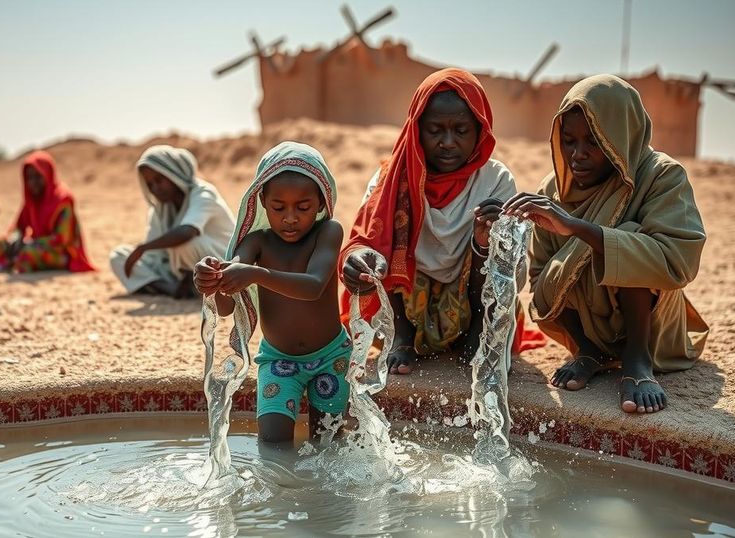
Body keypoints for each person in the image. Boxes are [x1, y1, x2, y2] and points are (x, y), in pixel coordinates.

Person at [502, 74, 708, 414]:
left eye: (594, 142)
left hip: (652, 328)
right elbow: (540, 280)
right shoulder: (554, 190)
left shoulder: (661, 176)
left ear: (621, 134)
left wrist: (577, 228)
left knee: (629, 237)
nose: (577, 155)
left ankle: (636, 359)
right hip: (588, 324)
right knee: (563, 263)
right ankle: (587, 351)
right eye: (568, 141)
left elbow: (678, 262)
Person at [339, 68, 540, 376]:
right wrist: (357, 259)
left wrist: (486, 240)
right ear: (417, 130)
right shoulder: (392, 178)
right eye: (435, 131)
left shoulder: (495, 181)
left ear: (480, 131)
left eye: (461, 131)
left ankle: (478, 334)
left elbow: (514, 268)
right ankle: (402, 336)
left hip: (473, 297)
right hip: (406, 305)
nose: (448, 142)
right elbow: (367, 238)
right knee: (390, 225)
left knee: (497, 236)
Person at [194, 141, 346, 448]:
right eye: (279, 208)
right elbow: (225, 305)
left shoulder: (328, 232)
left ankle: (327, 500)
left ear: (320, 202)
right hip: (279, 360)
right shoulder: (256, 243)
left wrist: (255, 274)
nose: (290, 217)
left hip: (331, 357)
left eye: (302, 207)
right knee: (273, 446)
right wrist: (212, 279)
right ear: (262, 201)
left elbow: (314, 285)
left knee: (329, 446)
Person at [111, 145, 234, 298]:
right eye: (149, 184)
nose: (155, 188)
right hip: (179, 267)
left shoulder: (203, 193)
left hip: (219, 263)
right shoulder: (161, 207)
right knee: (119, 255)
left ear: (173, 174)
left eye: (159, 180)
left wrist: (143, 248)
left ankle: (193, 286)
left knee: (183, 243)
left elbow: (187, 232)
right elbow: (156, 252)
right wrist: (143, 252)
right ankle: (173, 288)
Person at [0, 150, 95, 273]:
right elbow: (19, 226)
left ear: (47, 174)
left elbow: (62, 239)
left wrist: (32, 243)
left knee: (28, 254)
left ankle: (13, 262)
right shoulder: (31, 200)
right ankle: (10, 262)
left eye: (38, 177)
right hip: (33, 244)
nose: (33, 182)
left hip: (60, 253)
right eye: (29, 178)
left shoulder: (63, 200)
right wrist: (15, 238)